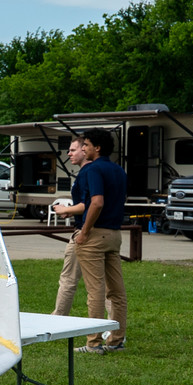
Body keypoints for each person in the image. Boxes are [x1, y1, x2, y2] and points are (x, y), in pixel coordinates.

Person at [65, 128, 127, 353]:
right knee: (117, 292)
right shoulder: (119, 170)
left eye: (86, 145)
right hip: (114, 235)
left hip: (95, 235)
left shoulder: (92, 169)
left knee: (96, 291)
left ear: (97, 148)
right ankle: (117, 341)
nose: (83, 148)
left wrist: (84, 232)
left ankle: (94, 343)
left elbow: (97, 202)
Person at [50, 137, 87, 316]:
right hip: (97, 232)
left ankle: (57, 319)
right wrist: (71, 212)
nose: (69, 153)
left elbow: (91, 204)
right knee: (102, 282)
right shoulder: (90, 172)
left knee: (69, 279)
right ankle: (115, 326)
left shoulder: (88, 173)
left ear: (85, 150)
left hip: (84, 234)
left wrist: (67, 209)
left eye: (73, 150)